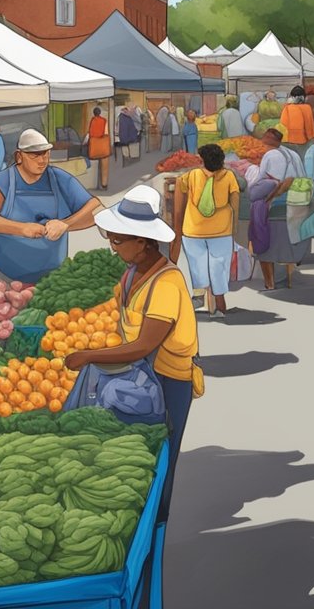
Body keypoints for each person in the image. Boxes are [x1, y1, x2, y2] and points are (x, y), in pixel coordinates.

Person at [64, 185, 198, 525]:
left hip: (168, 380)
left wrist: (89, 355)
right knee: (135, 452)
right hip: (139, 375)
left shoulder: (167, 283)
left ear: (143, 241)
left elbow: (144, 345)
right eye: (111, 239)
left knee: (160, 451)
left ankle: (157, 522)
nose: (112, 247)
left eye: (117, 240)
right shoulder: (133, 272)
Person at [0, 130, 102, 285]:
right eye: (35, 155)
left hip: (53, 279)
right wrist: (21, 229)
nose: (42, 160)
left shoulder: (60, 179)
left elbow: (96, 209)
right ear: (19, 156)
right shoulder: (2, 182)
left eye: (46, 154)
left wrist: (66, 224)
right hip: (4, 278)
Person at [171, 143, 239, 315]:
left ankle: (199, 294)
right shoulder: (229, 176)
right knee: (219, 266)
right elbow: (235, 204)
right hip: (222, 231)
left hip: (193, 230)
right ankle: (219, 302)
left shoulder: (193, 175)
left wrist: (177, 225)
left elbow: (179, 184)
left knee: (197, 264)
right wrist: (235, 229)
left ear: (202, 161)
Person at [250, 128, 310, 290]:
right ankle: (288, 277)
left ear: (265, 142)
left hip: (279, 205)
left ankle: (269, 283)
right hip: (298, 203)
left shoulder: (271, 155)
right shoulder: (292, 153)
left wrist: (265, 199)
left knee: (263, 240)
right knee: (290, 245)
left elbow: (270, 182)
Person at [87, 108, 112, 190]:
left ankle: (95, 183)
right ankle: (104, 184)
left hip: (94, 146)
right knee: (104, 166)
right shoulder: (104, 120)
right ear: (100, 113)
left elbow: (90, 133)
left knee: (95, 166)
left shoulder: (92, 121)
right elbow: (106, 133)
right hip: (103, 146)